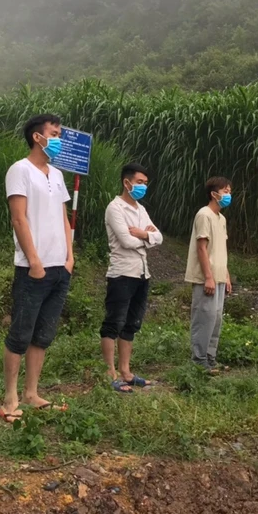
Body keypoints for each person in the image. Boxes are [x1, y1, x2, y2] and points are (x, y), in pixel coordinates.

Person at [1, 114, 74, 422]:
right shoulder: (20, 170)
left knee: (43, 334)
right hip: (34, 268)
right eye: (54, 133)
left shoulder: (56, 174)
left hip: (60, 267)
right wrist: (34, 261)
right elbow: (19, 218)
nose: (58, 139)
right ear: (37, 137)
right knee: (20, 332)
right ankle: (10, 398)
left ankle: (31, 393)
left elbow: (64, 217)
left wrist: (70, 258)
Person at [102, 163, 163, 393]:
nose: (143, 187)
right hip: (121, 273)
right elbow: (126, 242)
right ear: (126, 183)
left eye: (145, 183)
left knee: (132, 323)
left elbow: (160, 237)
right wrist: (147, 238)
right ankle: (110, 373)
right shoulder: (114, 208)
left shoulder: (140, 209)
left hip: (141, 272)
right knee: (113, 323)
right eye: (139, 182)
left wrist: (144, 234)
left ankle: (126, 371)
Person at [184, 177, 233, 373]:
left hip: (220, 277)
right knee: (204, 318)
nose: (228, 195)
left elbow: (221, 249)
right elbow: (202, 248)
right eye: (225, 191)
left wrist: (226, 276)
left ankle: (211, 359)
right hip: (206, 278)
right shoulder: (204, 215)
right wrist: (209, 276)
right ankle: (199, 360)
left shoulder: (221, 219)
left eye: (230, 191)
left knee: (216, 319)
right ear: (214, 194)